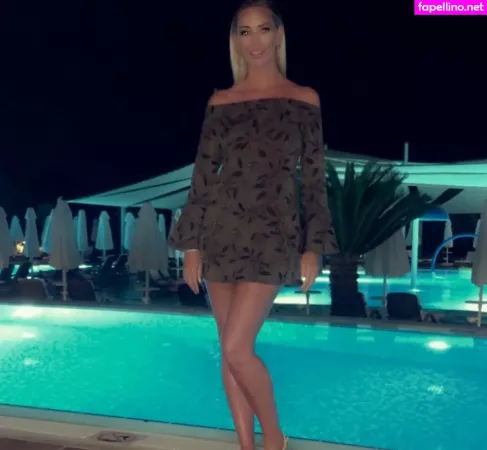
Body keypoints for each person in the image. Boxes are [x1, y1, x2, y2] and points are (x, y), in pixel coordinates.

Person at [169, 1, 337, 449]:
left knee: (236, 348)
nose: (255, 40)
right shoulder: (220, 102)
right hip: (220, 232)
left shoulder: (304, 99)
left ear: (278, 35)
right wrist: (191, 245)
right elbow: (203, 177)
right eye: (245, 31)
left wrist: (313, 246)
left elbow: (314, 180)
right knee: (228, 349)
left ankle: (275, 439)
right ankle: (247, 445)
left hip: (274, 235)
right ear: (235, 40)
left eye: (263, 29)